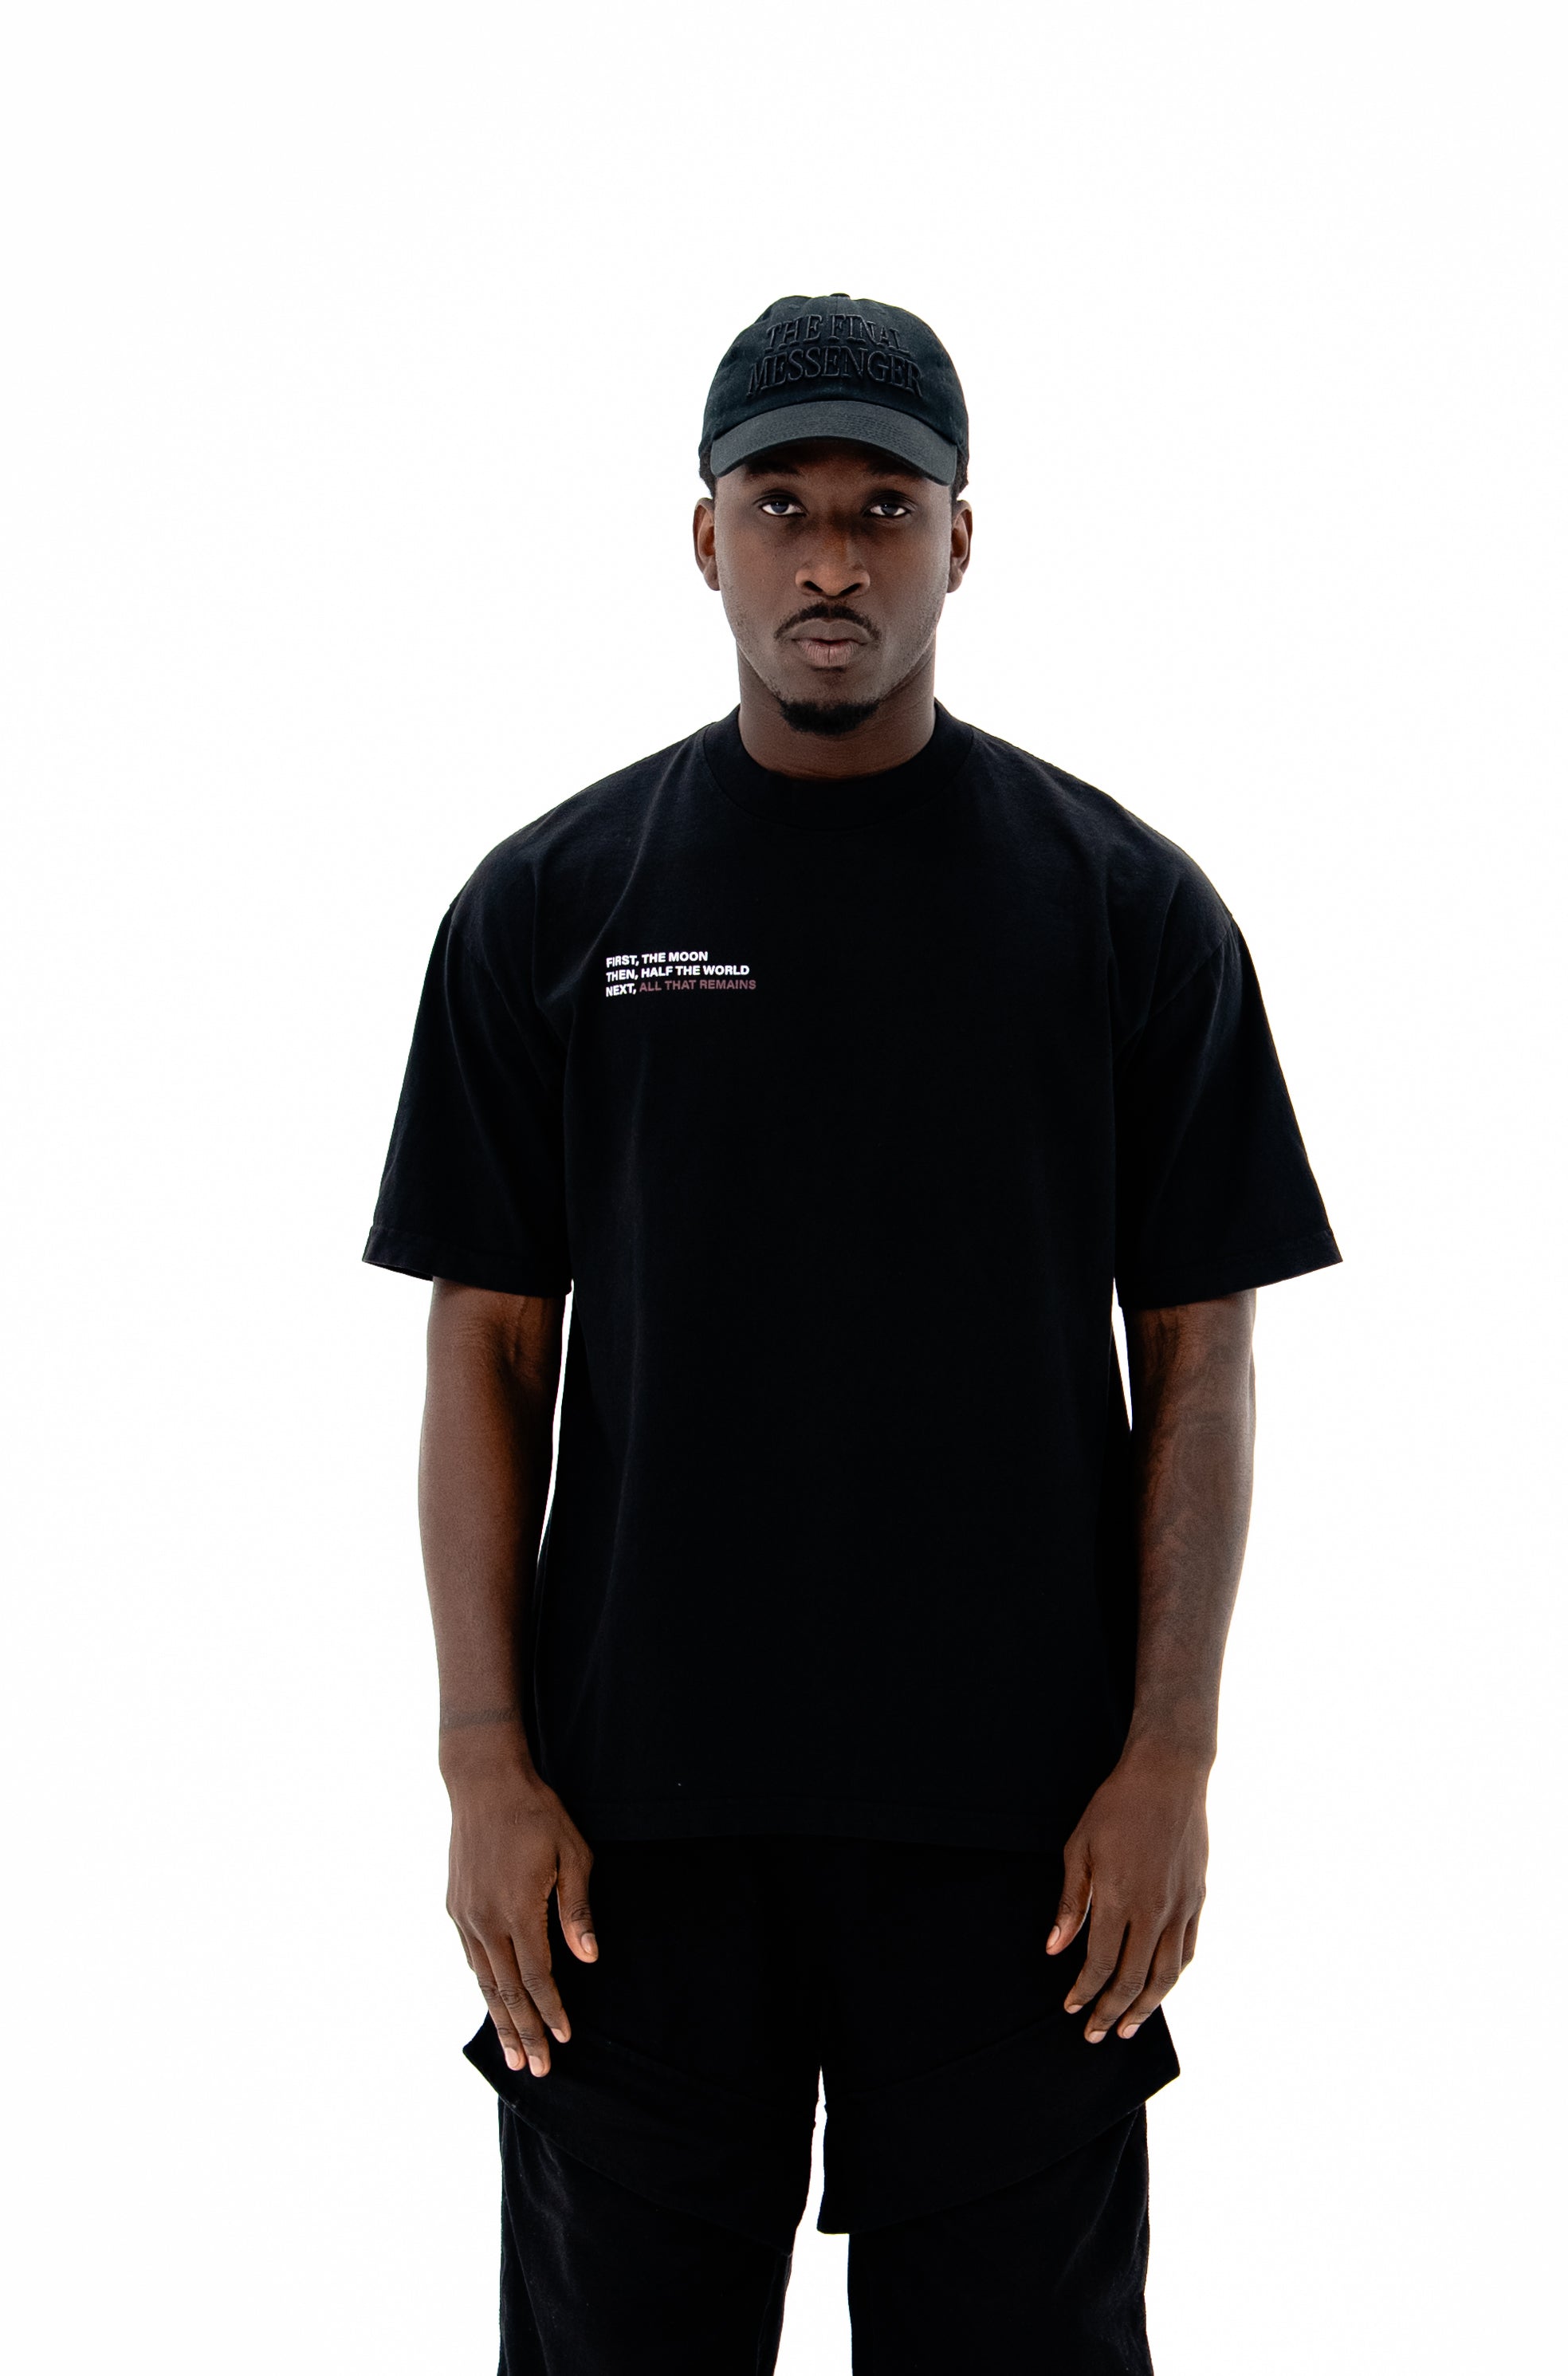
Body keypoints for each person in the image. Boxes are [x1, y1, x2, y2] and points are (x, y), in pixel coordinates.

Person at [365, 293, 1340, 2374]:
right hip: (629, 1832)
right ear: (702, 536)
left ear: (960, 540)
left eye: (884, 509)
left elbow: (1202, 1357)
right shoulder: (551, 905)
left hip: (1026, 1833)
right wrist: (484, 1760)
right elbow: (486, 1349)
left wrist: (1170, 1755)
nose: (831, 559)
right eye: (782, 504)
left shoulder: (1125, 911)